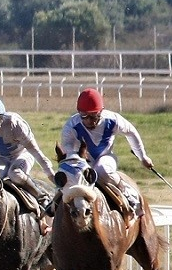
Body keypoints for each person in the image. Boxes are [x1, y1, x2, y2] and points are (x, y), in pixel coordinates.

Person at [58, 87, 154, 219]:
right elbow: (67, 148)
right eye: (84, 116)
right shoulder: (71, 125)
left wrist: (142, 157)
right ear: (79, 113)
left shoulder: (113, 119)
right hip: (81, 162)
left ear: (101, 111)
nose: (89, 121)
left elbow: (131, 133)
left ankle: (129, 195)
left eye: (94, 116)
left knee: (101, 170)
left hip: (106, 157)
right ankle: (53, 208)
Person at [0, 96, 55, 219]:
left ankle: (41, 197)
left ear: (1, 118)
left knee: (15, 174)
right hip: (1, 158)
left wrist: (50, 174)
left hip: (22, 155)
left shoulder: (15, 123)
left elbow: (35, 151)